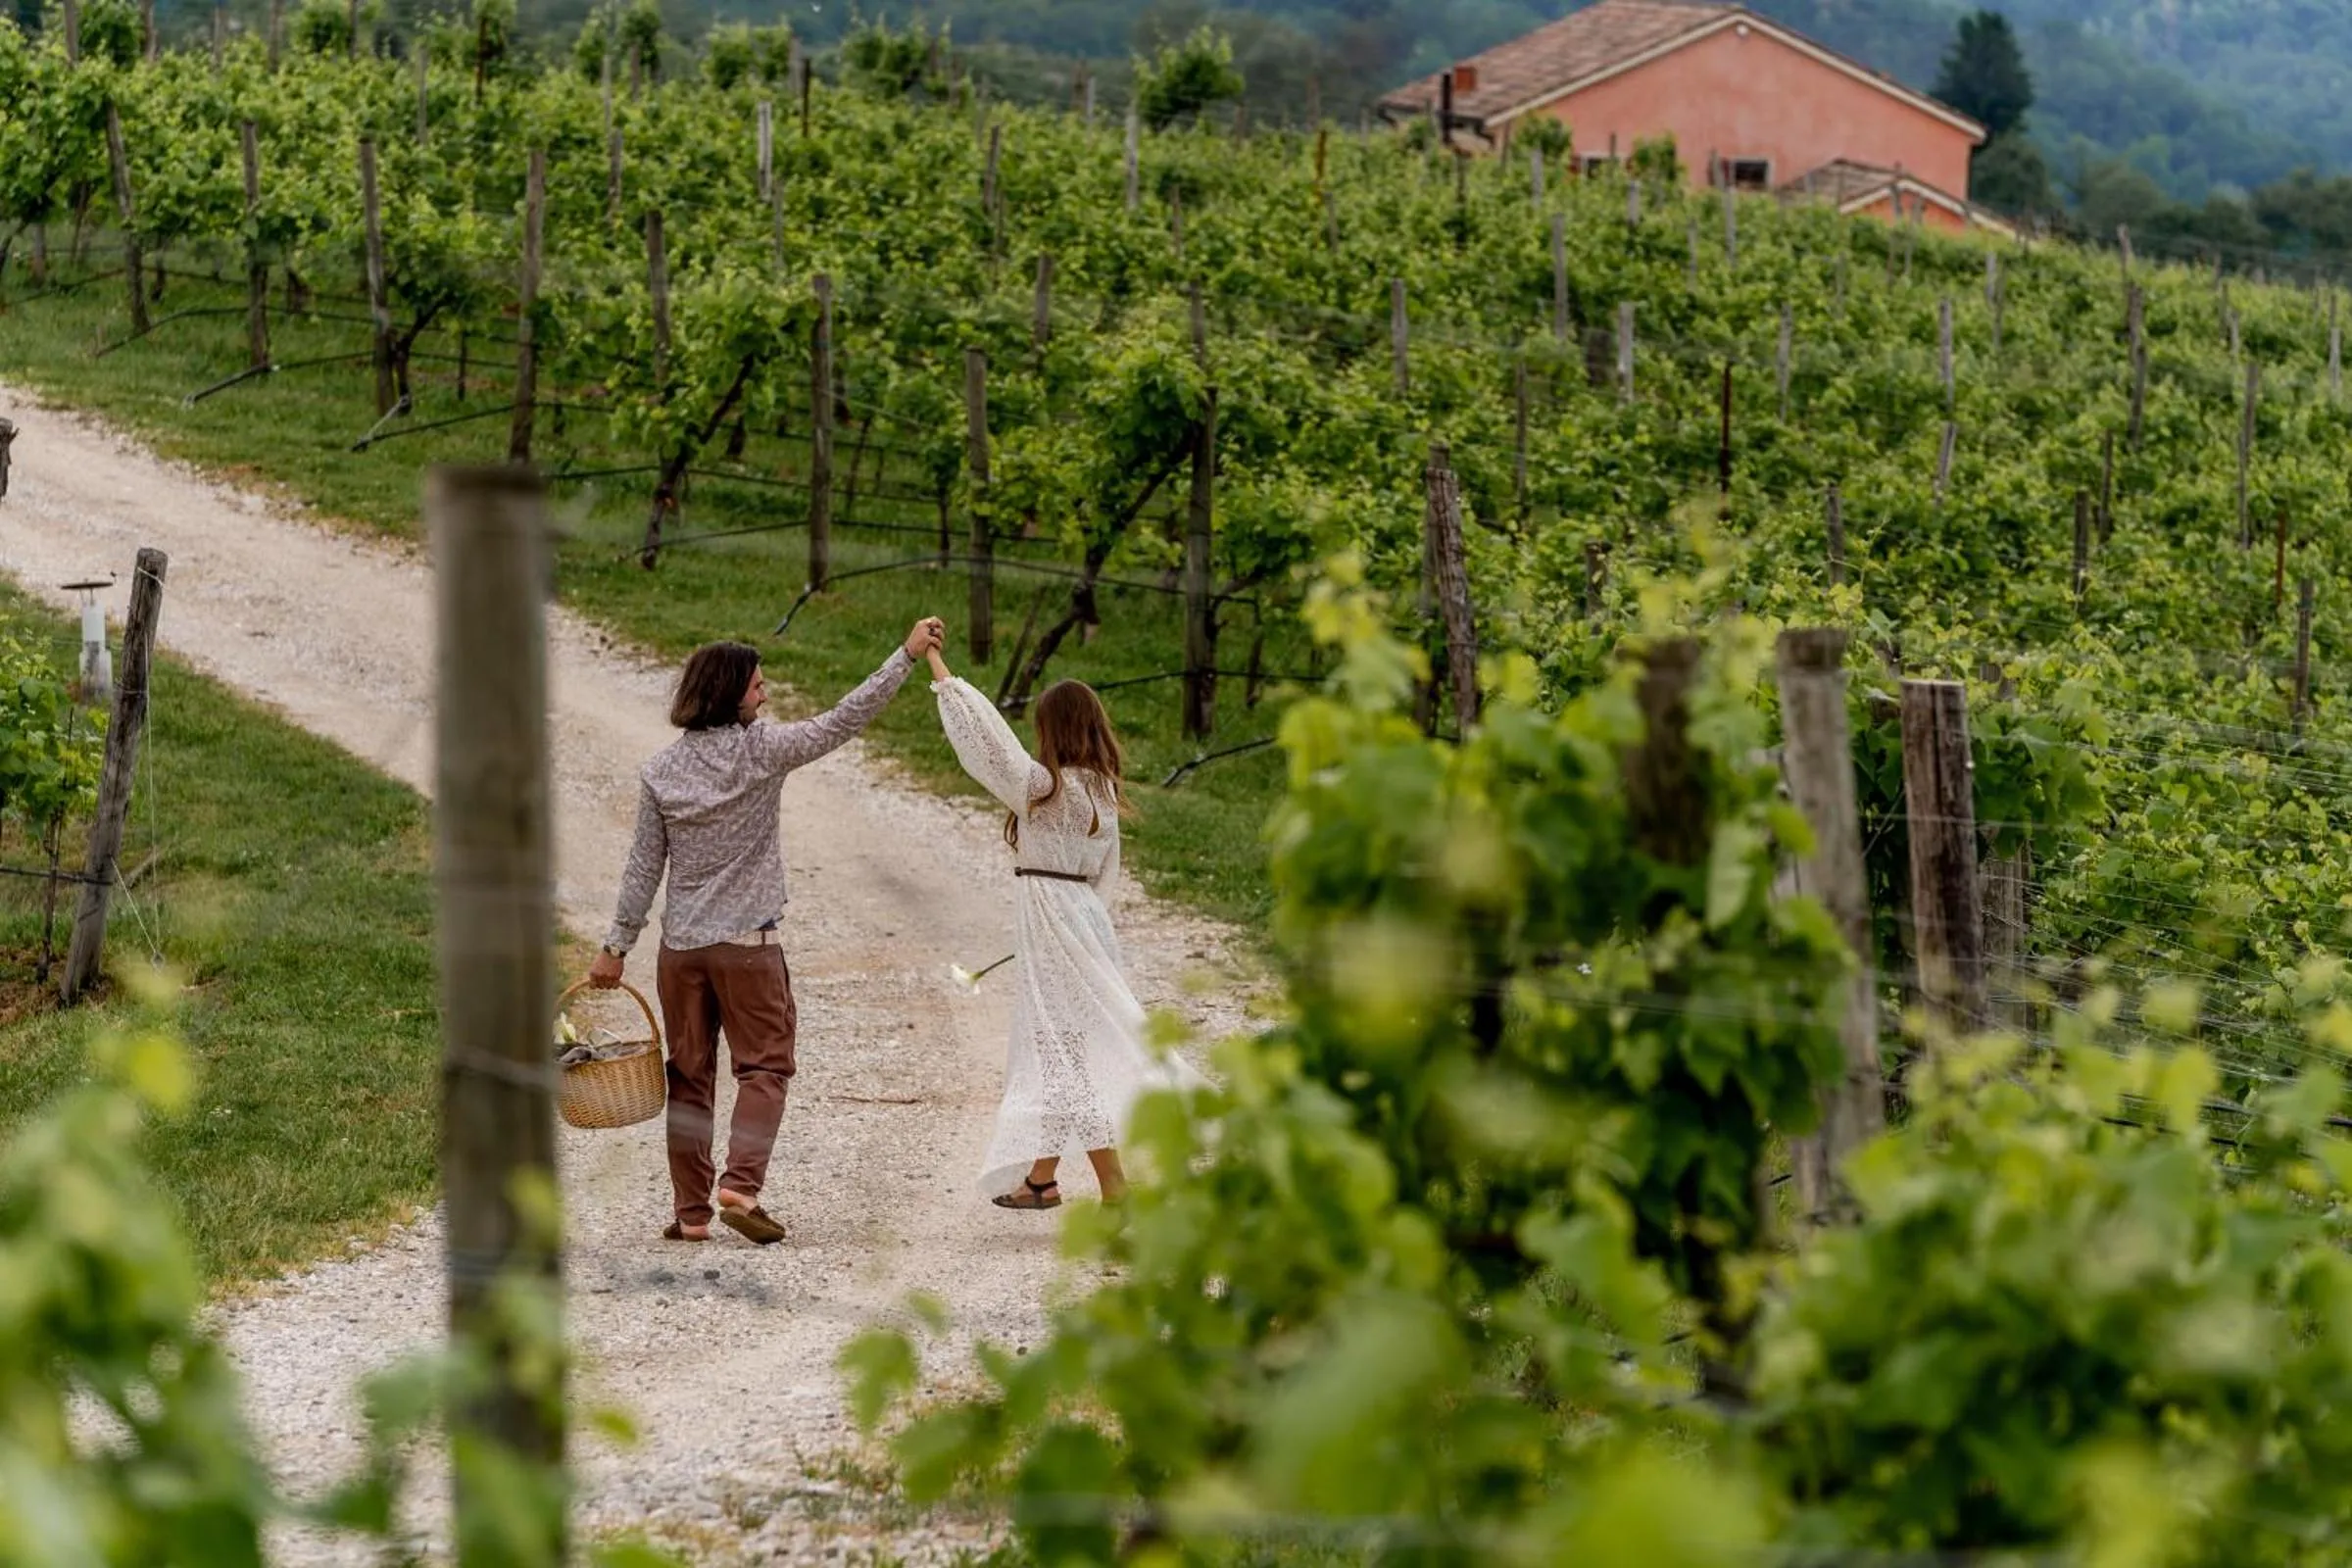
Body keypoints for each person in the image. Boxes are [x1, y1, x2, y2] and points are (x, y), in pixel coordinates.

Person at [591, 618, 945, 1245]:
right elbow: (844, 719)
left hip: (681, 953)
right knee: (764, 1068)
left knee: (689, 1076)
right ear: (731, 695)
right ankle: (741, 1186)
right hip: (749, 950)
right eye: (757, 686)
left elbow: (644, 868)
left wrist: (615, 948)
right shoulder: (763, 751)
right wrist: (906, 656)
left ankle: (692, 1214)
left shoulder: (661, 771)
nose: (766, 694)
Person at [927, 646, 1200, 1208]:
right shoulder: (1102, 791)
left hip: (1054, 919)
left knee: (1065, 1051)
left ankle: (1112, 1187)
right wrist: (1077, 921)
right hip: (1083, 916)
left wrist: (940, 672)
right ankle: (1042, 1179)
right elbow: (1106, 873)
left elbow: (987, 745)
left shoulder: (1042, 787)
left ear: (1053, 730)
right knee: (1064, 1047)